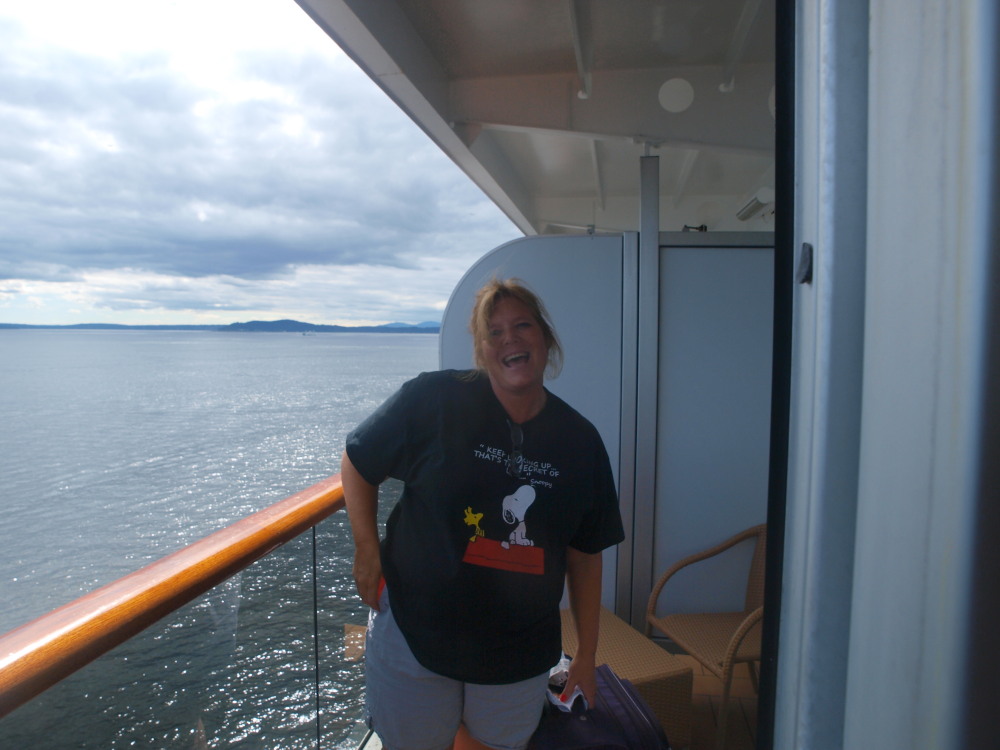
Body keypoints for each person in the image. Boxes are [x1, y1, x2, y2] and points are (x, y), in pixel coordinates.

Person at [342, 278, 624, 750]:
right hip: (414, 633)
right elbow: (357, 461)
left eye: (522, 325)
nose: (509, 338)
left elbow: (585, 554)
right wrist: (366, 548)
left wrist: (586, 655)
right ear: (481, 351)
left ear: (545, 339)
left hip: (517, 655)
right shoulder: (434, 400)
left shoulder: (580, 441)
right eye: (494, 332)